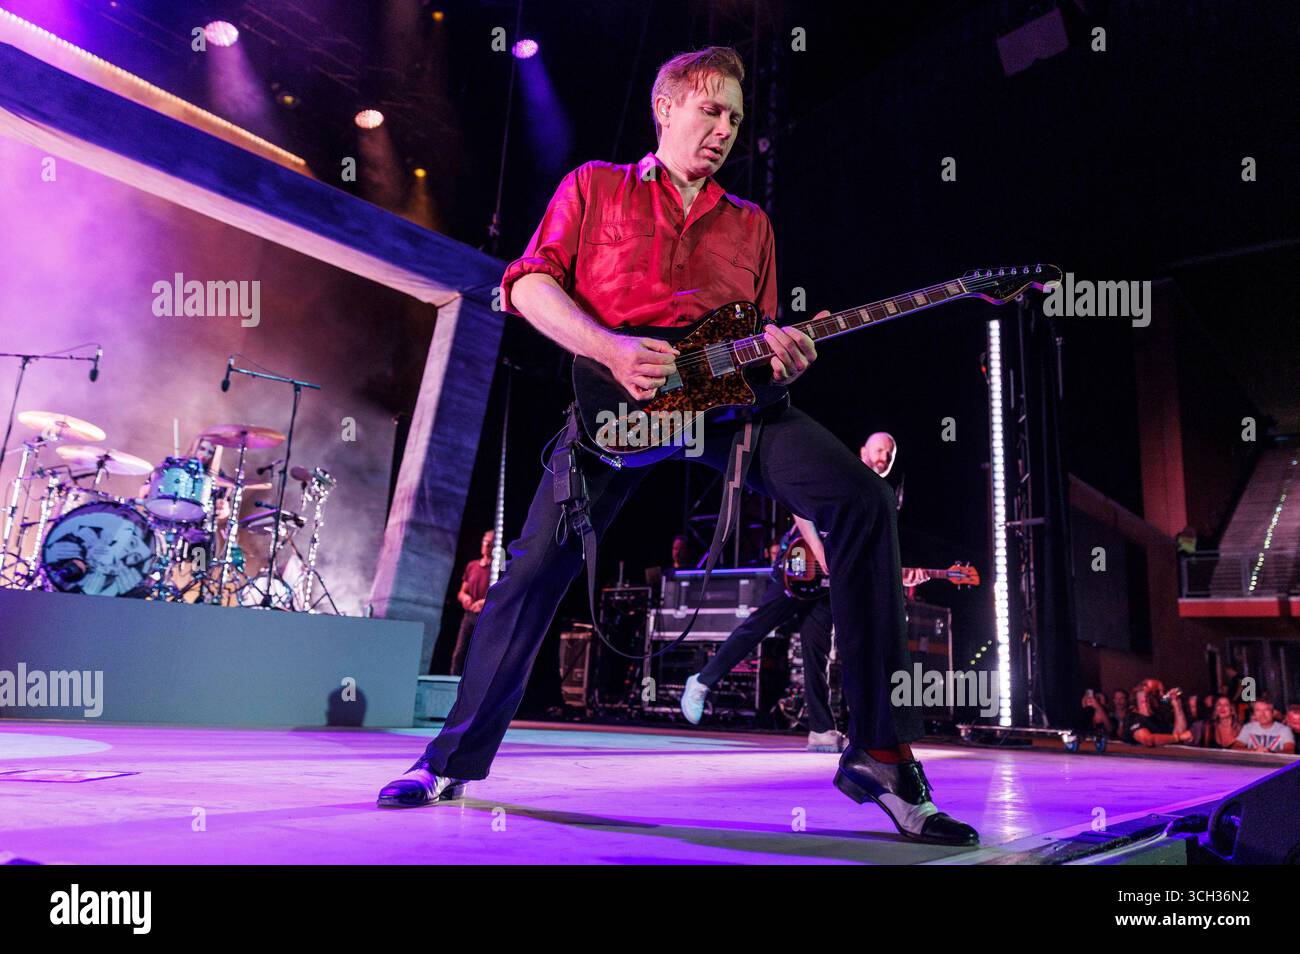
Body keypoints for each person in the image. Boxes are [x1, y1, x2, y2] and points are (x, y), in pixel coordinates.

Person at [377, 46, 978, 846]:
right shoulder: (594, 186)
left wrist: (784, 353)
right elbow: (526, 285)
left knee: (863, 502)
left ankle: (880, 754)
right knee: (532, 570)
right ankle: (448, 761)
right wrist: (609, 347)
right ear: (665, 108)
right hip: (617, 407)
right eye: (711, 110)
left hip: (731, 411)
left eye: (736, 116)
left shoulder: (751, 223)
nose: (725, 128)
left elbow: (759, 335)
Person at [680, 432, 925, 753]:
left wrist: (895, 576)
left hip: (828, 580)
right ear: (863, 450)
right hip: (800, 567)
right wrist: (819, 552)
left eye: (890, 454)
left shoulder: (880, 497)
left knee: (817, 651)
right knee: (757, 627)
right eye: (879, 450)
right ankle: (701, 681)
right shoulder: (843, 472)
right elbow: (798, 505)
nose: (884, 457)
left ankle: (821, 729)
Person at [449, 530, 493, 676]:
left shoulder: (499, 568)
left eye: (490, 543)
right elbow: (461, 592)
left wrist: (485, 602)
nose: (486, 545)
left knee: (479, 655)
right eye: (485, 541)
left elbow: (505, 593)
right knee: (459, 653)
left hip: (486, 617)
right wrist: (465, 598)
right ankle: (453, 683)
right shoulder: (472, 566)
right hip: (469, 616)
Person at [1125, 680, 1192, 747]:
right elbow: (1148, 740)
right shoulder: (1133, 718)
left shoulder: (1159, 716)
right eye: (1157, 692)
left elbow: (1180, 734)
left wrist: (1177, 705)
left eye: (1163, 691)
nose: (1162, 695)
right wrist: (1178, 737)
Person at [1232, 700, 1296, 753]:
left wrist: (1270, 754)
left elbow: (1290, 751)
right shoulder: (1248, 727)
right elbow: (1235, 748)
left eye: (1266, 710)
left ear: (1273, 712)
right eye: (1258, 710)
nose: (1262, 714)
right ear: (1254, 713)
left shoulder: (1285, 729)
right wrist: (1255, 751)